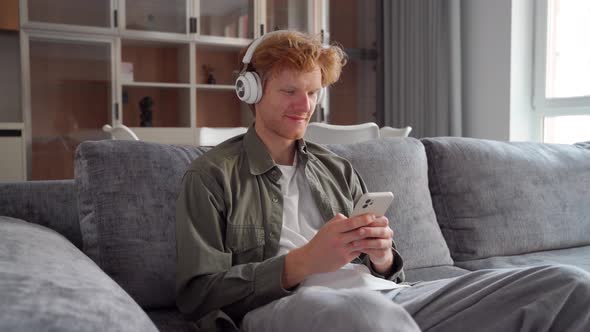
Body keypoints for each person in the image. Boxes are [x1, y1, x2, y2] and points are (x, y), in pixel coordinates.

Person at [176, 30, 590, 332]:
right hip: (289, 306)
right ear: (250, 91)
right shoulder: (212, 175)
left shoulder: (336, 168)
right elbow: (198, 295)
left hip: (383, 296)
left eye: (313, 93)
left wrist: (383, 257)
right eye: (289, 91)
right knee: (362, 316)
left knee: (567, 284)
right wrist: (301, 262)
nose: (305, 107)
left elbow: (388, 274)